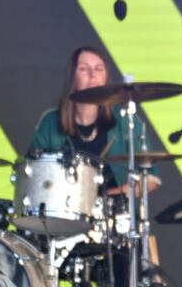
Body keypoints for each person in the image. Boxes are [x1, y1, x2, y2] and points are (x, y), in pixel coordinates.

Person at [29, 45, 159, 195]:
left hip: (113, 213)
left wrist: (113, 195)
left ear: (105, 77)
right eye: (84, 69)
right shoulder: (50, 122)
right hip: (64, 214)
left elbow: (151, 178)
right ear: (73, 77)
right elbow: (32, 174)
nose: (92, 75)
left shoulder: (126, 120)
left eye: (99, 69)